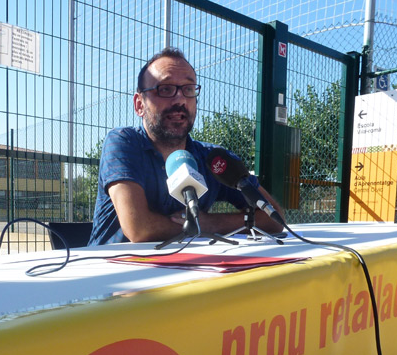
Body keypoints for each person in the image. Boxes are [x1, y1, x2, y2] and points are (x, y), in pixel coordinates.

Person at [88, 47, 283, 246]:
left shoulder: (212, 159)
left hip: (191, 270)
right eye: (165, 89)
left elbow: (273, 218)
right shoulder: (122, 142)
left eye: (189, 89)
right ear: (139, 105)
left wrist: (211, 224)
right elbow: (139, 229)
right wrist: (203, 226)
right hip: (114, 271)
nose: (180, 99)